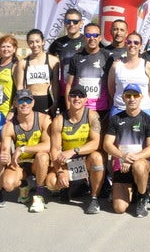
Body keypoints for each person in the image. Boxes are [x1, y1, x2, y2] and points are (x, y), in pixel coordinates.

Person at [46, 85, 105, 214]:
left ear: (85, 100)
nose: (77, 98)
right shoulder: (59, 120)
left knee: (97, 157)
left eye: (80, 96)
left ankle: (94, 198)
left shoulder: (92, 116)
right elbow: (54, 150)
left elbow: (96, 144)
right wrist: (60, 172)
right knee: (51, 182)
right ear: (68, 98)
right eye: (73, 95)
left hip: (86, 161)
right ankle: (71, 186)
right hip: (68, 163)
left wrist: (74, 150)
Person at [103, 84, 150, 217]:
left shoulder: (148, 121)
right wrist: (123, 156)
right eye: (128, 95)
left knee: (139, 166)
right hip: (121, 166)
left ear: (141, 97)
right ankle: (132, 188)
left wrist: (132, 158)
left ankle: (142, 196)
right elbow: (107, 145)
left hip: (140, 164)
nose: (132, 99)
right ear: (123, 98)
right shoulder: (116, 119)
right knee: (119, 208)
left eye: (135, 95)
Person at [0, 89, 52, 211]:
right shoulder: (9, 126)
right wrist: (5, 156)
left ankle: (39, 195)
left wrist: (23, 149)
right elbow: (5, 148)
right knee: (8, 185)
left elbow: (47, 145)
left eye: (27, 100)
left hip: (38, 162)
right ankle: (25, 184)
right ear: (15, 103)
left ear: (33, 103)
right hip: (20, 164)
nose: (24, 104)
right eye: (21, 100)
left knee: (42, 156)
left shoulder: (43, 119)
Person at [66, 23, 114, 119]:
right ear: (84, 37)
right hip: (80, 108)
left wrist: (112, 107)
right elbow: (69, 85)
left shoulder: (107, 57)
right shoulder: (76, 57)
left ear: (100, 38)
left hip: (102, 109)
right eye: (88, 35)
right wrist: (69, 108)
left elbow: (112, 85)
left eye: (95, 35)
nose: (92, 38)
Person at [107, 32, 150, 117]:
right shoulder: (116, 65)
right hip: (120, 108)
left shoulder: (147, 65)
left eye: (136, 42)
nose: (132, 45)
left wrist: (142, 103)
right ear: (125, 44)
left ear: (140, 45)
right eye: (129, 42)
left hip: (143, 109)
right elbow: (111, 88)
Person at [48, 8, 86, 113]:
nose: (72, 24)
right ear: (64, 23)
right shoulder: (58, 43)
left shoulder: (87, 41)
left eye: (75, 21)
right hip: (64, 92)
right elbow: (47, 60)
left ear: (81, 23)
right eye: (68, 21)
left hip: (84, 91)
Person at [15, 29, 60, 115]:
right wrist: (19, 102)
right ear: (28, 44)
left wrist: (56, 102)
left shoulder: (53, 61)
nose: (35, 45)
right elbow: (20, 86)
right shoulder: (23, 63)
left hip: (46, 100)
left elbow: (55, 84)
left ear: (43, 42)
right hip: (28, 100)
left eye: (37, 41)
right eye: (31, 42)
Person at [0, 35, 18, 118]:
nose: (6, 49)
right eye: (3, 47)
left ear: (14, 49)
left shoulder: (16, 65)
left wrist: (12, 111)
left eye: (9, 46)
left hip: (6, 111)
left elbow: (19, 90)